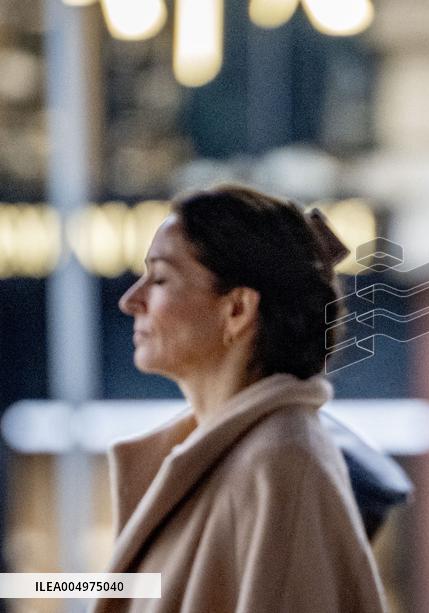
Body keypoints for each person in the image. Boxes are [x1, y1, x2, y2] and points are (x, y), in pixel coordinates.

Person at [95, 185, 387, 612]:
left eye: (159, 278)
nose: (130, 301)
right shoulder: (234, 460)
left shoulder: (281, 464)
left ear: (237, 309)